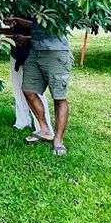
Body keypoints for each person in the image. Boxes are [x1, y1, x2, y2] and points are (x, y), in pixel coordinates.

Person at [21, 19, 72, 156]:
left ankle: (58, 140)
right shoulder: (35, 1)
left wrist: (19, 21)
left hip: (56, 52)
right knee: (28, 90)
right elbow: (37, 26)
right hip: (35, 52)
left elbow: (47, 22)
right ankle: (44, 130)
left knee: (59, 97)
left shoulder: (59, 0)